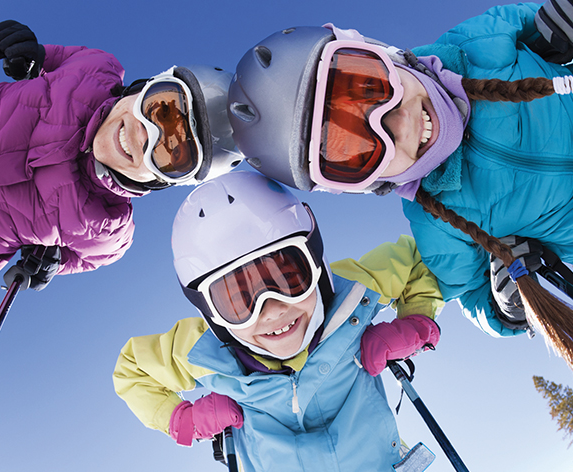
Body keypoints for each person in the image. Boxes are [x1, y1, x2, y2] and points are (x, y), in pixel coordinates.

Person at [224, 1, 573, 376]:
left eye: (369, 86)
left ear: (379, 52)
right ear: (361, 185)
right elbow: (475, 300)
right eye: (356, 148)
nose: (400, 125)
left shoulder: (478, 44)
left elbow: (543, 20)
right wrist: (507, 304)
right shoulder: (439, 225)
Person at [0, 20, 242, 348]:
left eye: (172, 153)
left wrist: (49, 262)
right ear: (145, 86)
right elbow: (45, 56)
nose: (145, 136)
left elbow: (80, 259)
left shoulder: (108, 229)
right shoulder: (95, 68)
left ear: (163, 182)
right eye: (162, 108)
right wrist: (25, 50)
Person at [113, 171, 444, 472]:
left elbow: (420, 260)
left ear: (316, 262)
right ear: (210, 313)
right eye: (238, 301)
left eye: (287, 278)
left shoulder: (352, 291)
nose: (271, 311)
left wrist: (416, 323)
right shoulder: (204, 350)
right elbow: (133, 370)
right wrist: (182, 420)